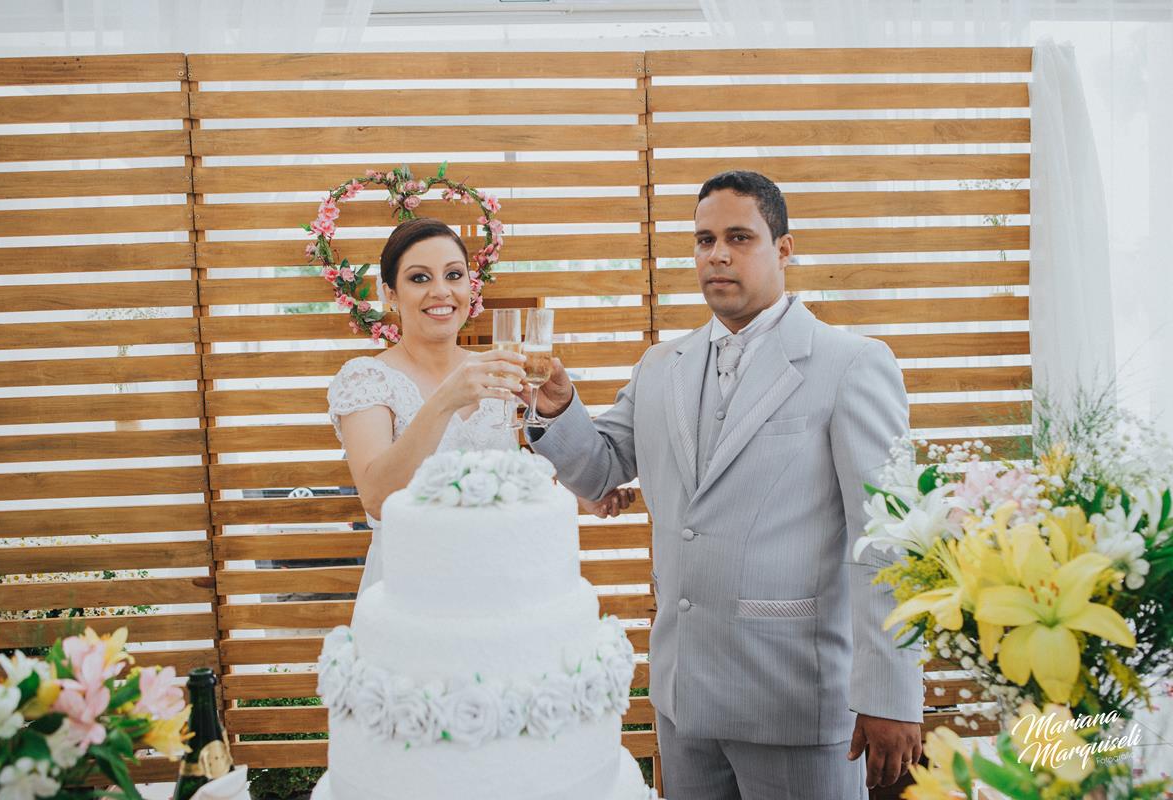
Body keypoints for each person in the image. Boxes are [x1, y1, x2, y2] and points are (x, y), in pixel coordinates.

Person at [522, 172, 924, 798]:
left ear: (783, 249)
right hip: (683, 699)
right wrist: (556, 406)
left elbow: (887, 539)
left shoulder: (851, 364)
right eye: (704, 239)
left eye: (739, 237)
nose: (717, 255)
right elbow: (600, 470)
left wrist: (891, 695)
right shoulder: (660, 366)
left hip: (795, 699)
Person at [327, 217, 632, 595]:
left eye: (454, 275)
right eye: (420, 278)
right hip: (414, 581)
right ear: (390, 293)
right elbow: (376, 498)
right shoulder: (366, 378)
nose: (441, 291)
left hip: (499, 574)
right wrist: (446, 399)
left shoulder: (493, 367)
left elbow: (506, 472)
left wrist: (582, 491)